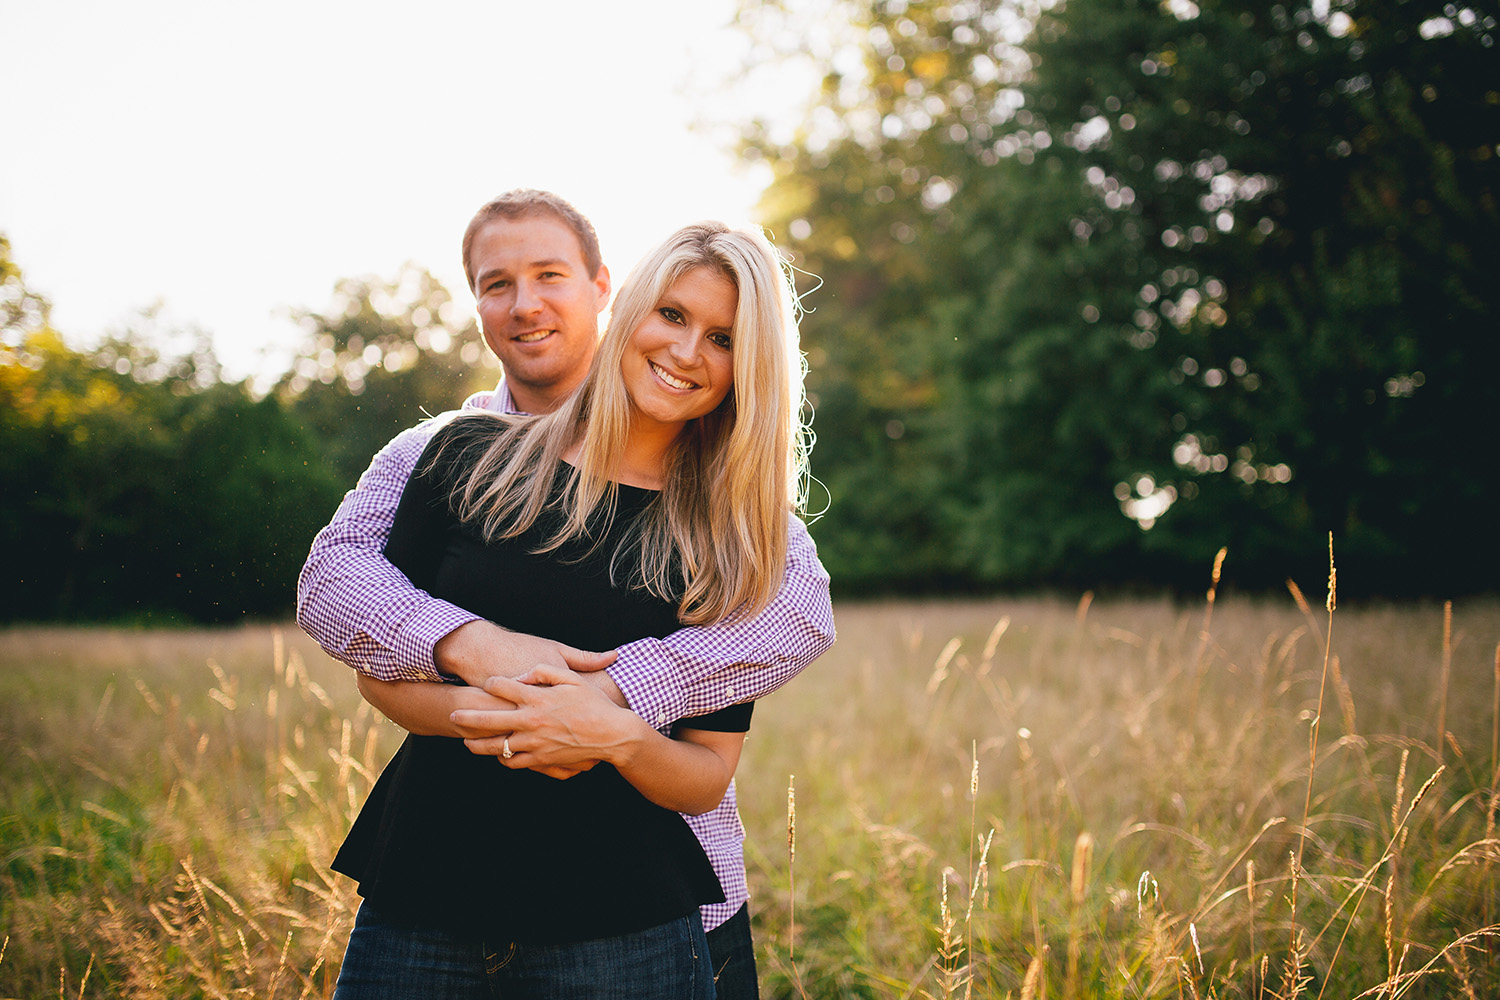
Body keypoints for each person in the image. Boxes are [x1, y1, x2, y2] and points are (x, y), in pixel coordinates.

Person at [297, 192, 833, 996]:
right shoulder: (454, 450)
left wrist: (610, 706)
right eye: (497, 282)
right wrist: (489, 658)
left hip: (626, 900)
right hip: (430, 876)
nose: (688, 351)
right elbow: (344, 594)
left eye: (722, 338)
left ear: (600, 288)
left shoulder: (728, 529)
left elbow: (794, 619)